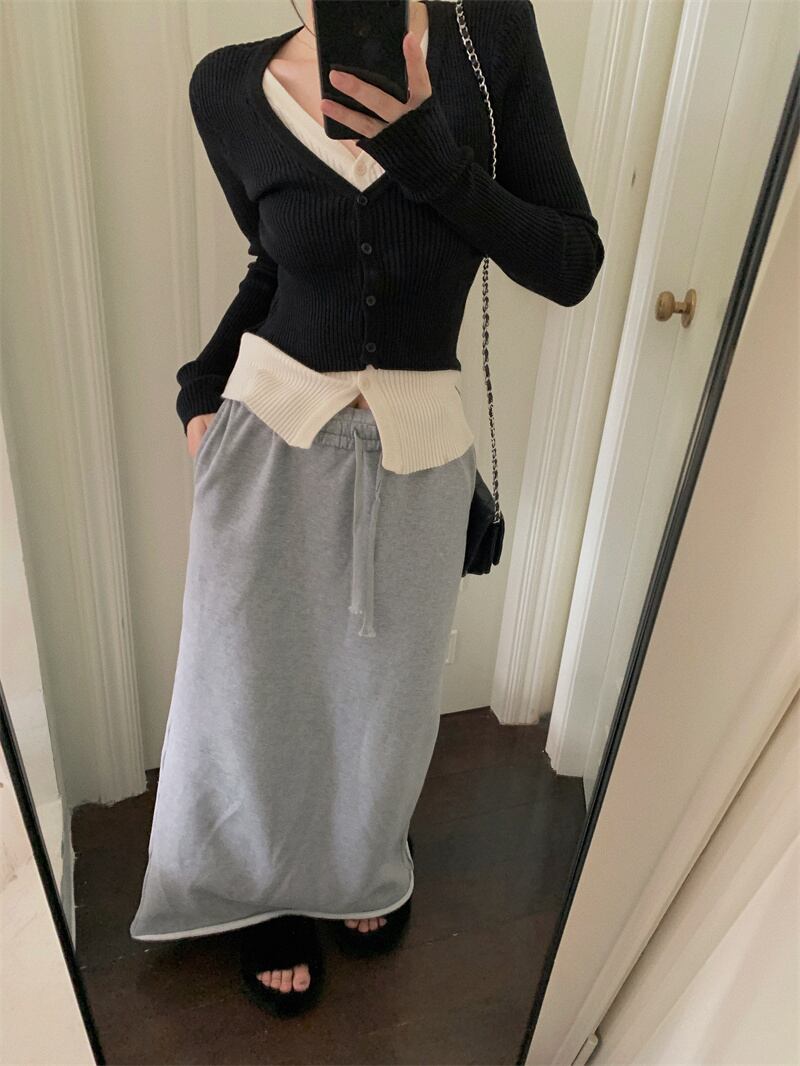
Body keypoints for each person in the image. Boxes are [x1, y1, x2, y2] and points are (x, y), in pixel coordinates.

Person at [129, 0, 604, 1016]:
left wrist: (427, 152)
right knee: (248, 690)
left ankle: (354, 866)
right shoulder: (229, 85)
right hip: (265, 427)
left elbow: (570, 263)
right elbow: (272, 263)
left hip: (417, 443)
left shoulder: (486, 38)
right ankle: (264, 894)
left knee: (384, 695)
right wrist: (200, 391)